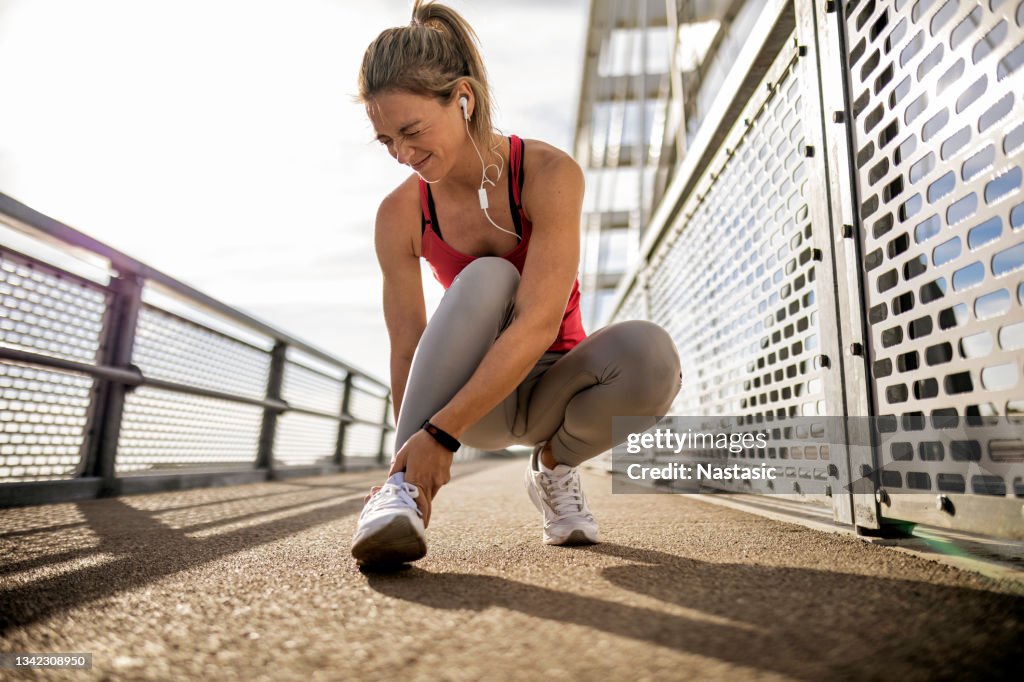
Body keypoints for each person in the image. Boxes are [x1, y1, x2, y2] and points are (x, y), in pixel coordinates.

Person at [351, 0, 681, 565]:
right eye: (386, 141)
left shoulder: (549, 173)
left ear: (463, 97)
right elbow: (407, 348)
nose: (402, 155)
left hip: (557, 388)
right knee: (488, 277)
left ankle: (553, 468)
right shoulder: (398, 215)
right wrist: (412, 456)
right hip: (476, 402)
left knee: (651, 354)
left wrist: (440, 436)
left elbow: (538, 322)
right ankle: (398, 495)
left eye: (411, 131)